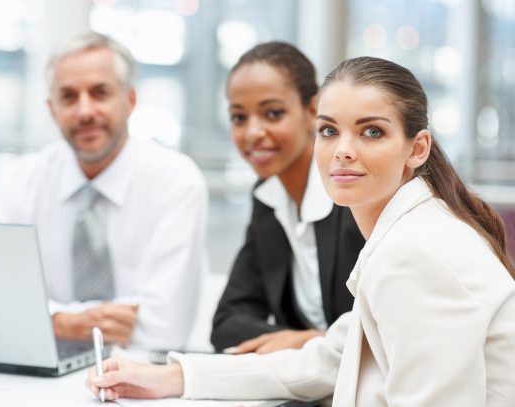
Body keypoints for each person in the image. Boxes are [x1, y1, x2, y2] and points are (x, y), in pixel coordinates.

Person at [87, 56, 515, 406]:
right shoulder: (409, 233)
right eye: (329, 130)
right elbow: (324, 359)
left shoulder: (414, 253)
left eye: (371, 131)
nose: (343, 150)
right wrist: (173, 377)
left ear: (416, 148)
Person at [0, 32, 208, 350]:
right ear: (52, 109)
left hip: (143, 387)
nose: (85, 111)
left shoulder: (176, 182)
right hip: (34, 378)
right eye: (68, 97)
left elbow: (161, 332)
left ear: (130, 100)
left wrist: (40, 318)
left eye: (100, 93)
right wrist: (63, 322)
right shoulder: (18, 180)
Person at [212, 42, 364, 355]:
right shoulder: (268, 197)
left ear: (313, 110)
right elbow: (227, 323)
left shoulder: (356, 198)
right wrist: (305, 342)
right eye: (239, 117)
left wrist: (312, 342)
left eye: (273, 113)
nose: (252, 132)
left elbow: (385, 331)